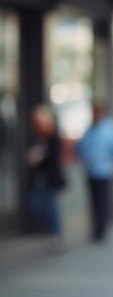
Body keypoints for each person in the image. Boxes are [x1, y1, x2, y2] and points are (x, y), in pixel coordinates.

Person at [75, 103, 113, 244]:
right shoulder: (90, 129)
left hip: (104, 170)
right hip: (91, 170)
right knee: (94, 201)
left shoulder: (109, 128)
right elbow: (81, 146)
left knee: (103, 201)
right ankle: (96, 228)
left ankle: (102, 230)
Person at [27, 104, 66, 253]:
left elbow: (54, 157)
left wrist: (40, 157)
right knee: (35, 206)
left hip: (50, 178)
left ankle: (55, 235)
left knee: (51, 207)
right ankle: (51, 230)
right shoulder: (36, 135)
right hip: (38, 179)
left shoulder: (53, 136)